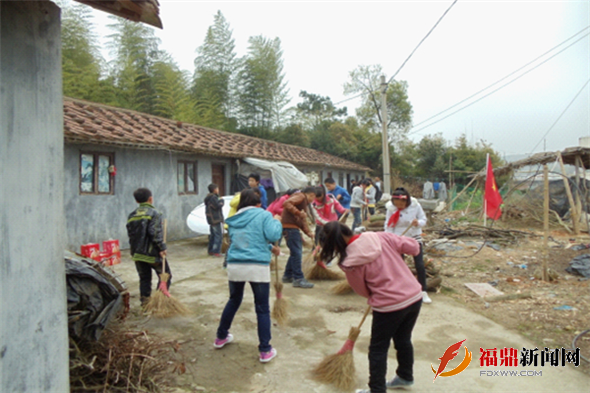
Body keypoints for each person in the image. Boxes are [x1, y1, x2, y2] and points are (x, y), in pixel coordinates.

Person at [318, 222, 422, 393]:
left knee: (378, 349)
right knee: (403, 339)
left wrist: (378, 295)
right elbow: (414, 247)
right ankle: (405, 377)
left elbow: (362, 290)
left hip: (389, 306)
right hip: (413, 297)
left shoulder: (349, 262)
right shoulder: (380, 236)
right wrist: (398, 247)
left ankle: (377, 390)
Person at [214, 189, 283, 363]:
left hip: (235, 264)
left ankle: (221, 337)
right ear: (258, 203)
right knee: (262, 308)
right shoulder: (264, 215)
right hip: (257, 266)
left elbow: (244, 240)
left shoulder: (235, 218)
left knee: (234, 300)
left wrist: (269, 248)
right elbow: (273, 235)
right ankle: (265, 350)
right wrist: (277, 222)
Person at [384, 187, 431, 304]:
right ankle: (400, 290)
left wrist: (418, 223)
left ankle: (423, 291)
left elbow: (423, 219)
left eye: (402, 203)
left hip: (414, 236)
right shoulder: (391, 208)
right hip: (398, 238)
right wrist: (389, 239)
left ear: (407, 201)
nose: (400, 206)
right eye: (397, 204)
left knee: (419, 264)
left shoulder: (415, 206)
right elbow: (388, 225)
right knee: (399, 265)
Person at [126, 188, 170, 307]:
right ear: (150, 199)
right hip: (152, 254)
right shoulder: (154, 213)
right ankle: (158, 302)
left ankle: (145, 305)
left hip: (137, 254)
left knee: (144, 279)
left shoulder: (132, 215)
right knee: (165, 275)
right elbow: (154, 233)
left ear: (136, 201)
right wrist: (162, 247)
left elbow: (131, 235)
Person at [281, 186, 317, 288]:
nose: (312, 201)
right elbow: (287, 203)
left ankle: (288, 276)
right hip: (290, 229)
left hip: (291, 228)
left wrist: (308, 233)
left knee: (294, 253)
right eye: (313, 198)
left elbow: (301, 220)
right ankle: (298, 278)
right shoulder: (300, 196)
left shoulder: (303, 201)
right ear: (312, 195)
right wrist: (298, 212)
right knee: (297, 253)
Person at [205, 183, 225, 257]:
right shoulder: (213, 198)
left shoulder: (209, 198)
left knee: (213, 235)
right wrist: (222, 201)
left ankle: (211, 250)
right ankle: (216, 251)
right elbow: (217, 206)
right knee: (218, 236)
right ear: (214, 190)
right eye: (217, 189)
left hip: (211, 219)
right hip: (215, 219)